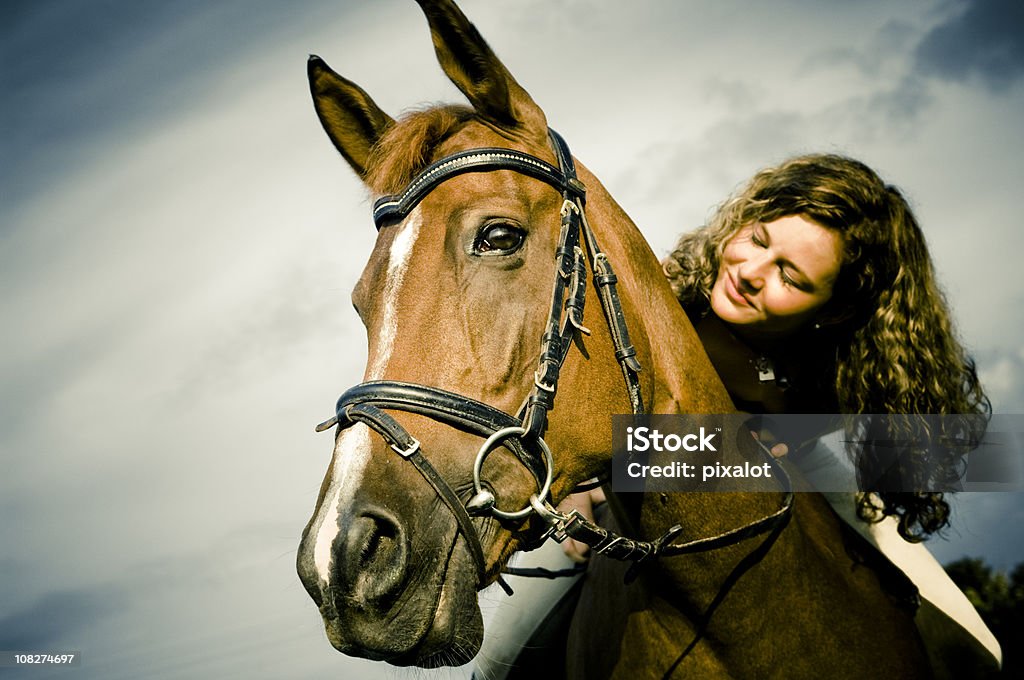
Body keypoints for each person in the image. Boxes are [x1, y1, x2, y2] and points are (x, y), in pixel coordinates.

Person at [473, 154, 1000, 679]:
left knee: (982, 651)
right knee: (499, 658)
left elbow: (943, 451)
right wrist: (582, 483)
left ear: (835, 309)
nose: (749, 273)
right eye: (758, 241)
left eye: (789, 277)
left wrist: (775, 440)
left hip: (800, 461)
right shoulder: (669, 299)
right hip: (644, 462)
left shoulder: (854, 352)